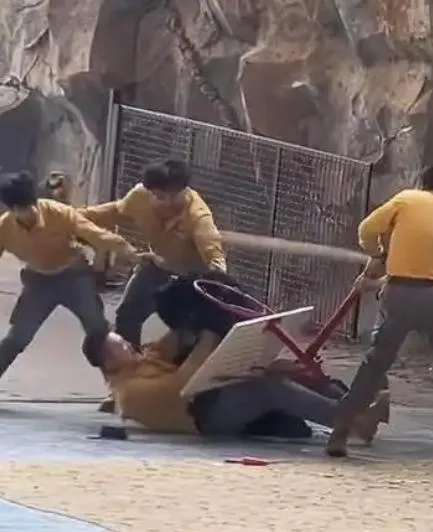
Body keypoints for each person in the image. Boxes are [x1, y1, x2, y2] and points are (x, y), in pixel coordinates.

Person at [80, 277, 389, 440]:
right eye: (119, 345)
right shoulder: (130, 392)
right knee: (268, 387)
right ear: (108, 362)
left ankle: (354, 405)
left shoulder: (142, 359)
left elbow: (174, 339)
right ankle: (356, 423)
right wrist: (209, 338)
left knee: (286, 368)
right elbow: (180, 385)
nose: (128, 345)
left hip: (211, 395)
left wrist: (198, 309)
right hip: (205, 418)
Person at [325, 158, 433, 458]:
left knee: (375, 364)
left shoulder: (406, 199)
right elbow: (425, 262)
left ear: (422, 183)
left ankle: (340, 432)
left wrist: (377, 251)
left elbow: (367, 229)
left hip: (399, 293)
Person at [0, 171, 149, 379]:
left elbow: (96, 234)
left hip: (74, 278)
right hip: (38, 282)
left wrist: (131, 253)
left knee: (99, 333)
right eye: (23, 209)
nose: (31, 212)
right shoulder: (4, 228)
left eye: (31, 204)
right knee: (17, 338)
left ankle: (121, 386)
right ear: (12, 209)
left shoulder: (60, 213)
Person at [79, 159, 226, 349]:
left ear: (185, 190)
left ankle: (180, 373)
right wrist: (75, 217)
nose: (166, 203)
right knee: (127, 316)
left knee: (188, 332)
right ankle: (131, 370)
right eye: (159, 196)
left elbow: (215, 258)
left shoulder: (199, 218)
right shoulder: (139, 197)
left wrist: (216, 277)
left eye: (173, 196)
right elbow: (115, 211)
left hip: (190, 279)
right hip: (157, 266)